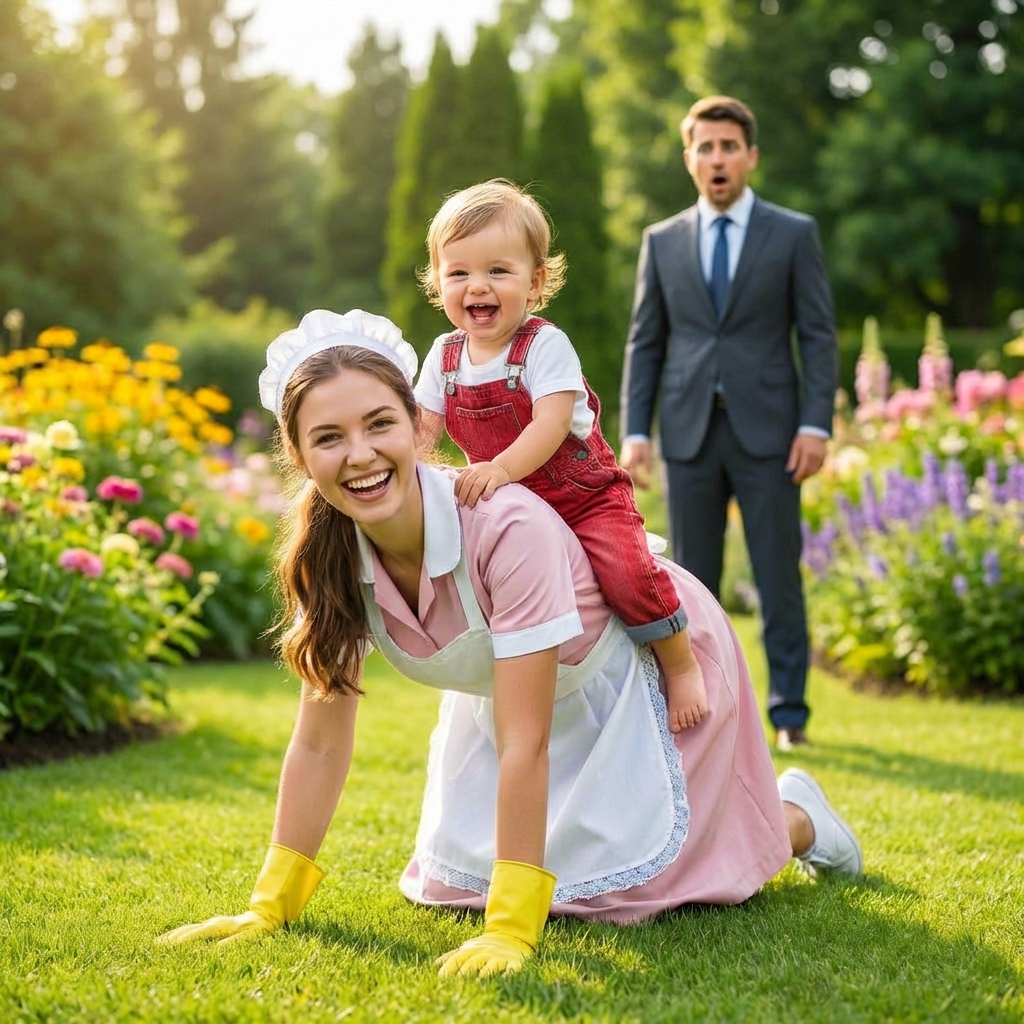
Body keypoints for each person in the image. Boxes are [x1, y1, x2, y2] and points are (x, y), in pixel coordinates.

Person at [156, 310, 862, 978]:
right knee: (455, 887)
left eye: (380, 424)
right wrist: (271, 902)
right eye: (329, 437)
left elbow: (526, 742)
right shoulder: (328, 552)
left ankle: (795, 819)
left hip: (632, 665)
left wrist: (511, 925)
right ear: (299, 455)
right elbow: (319, 740)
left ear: (418, 425)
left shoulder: (505, 527)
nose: (361, 455)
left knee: (632, 897)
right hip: (516, 691)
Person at [414, 179, 707, 733]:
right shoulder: (444, 355)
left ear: (535, 281)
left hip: (583, 497)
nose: (478, 286)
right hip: (506, 506)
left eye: (498, 271)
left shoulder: (544, 345)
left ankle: (680, 660)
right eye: (459, 273)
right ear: (438, 281)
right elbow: (422, 428)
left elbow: (549, 426)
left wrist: (498, 469)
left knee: (625, 571)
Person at [619, 96, 839, 751]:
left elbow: (819, 335)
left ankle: (789, 714)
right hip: (687, 434)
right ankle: (703, 709)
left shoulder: (793, 233)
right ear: (690, 159)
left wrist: (817, 425)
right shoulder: (661, 241)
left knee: (778, 575)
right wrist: (636, 431)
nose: (717, 159)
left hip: (772, 433)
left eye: (728, 147)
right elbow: (645, 343)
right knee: (691, 582)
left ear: (750, 157)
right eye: (705, 148)